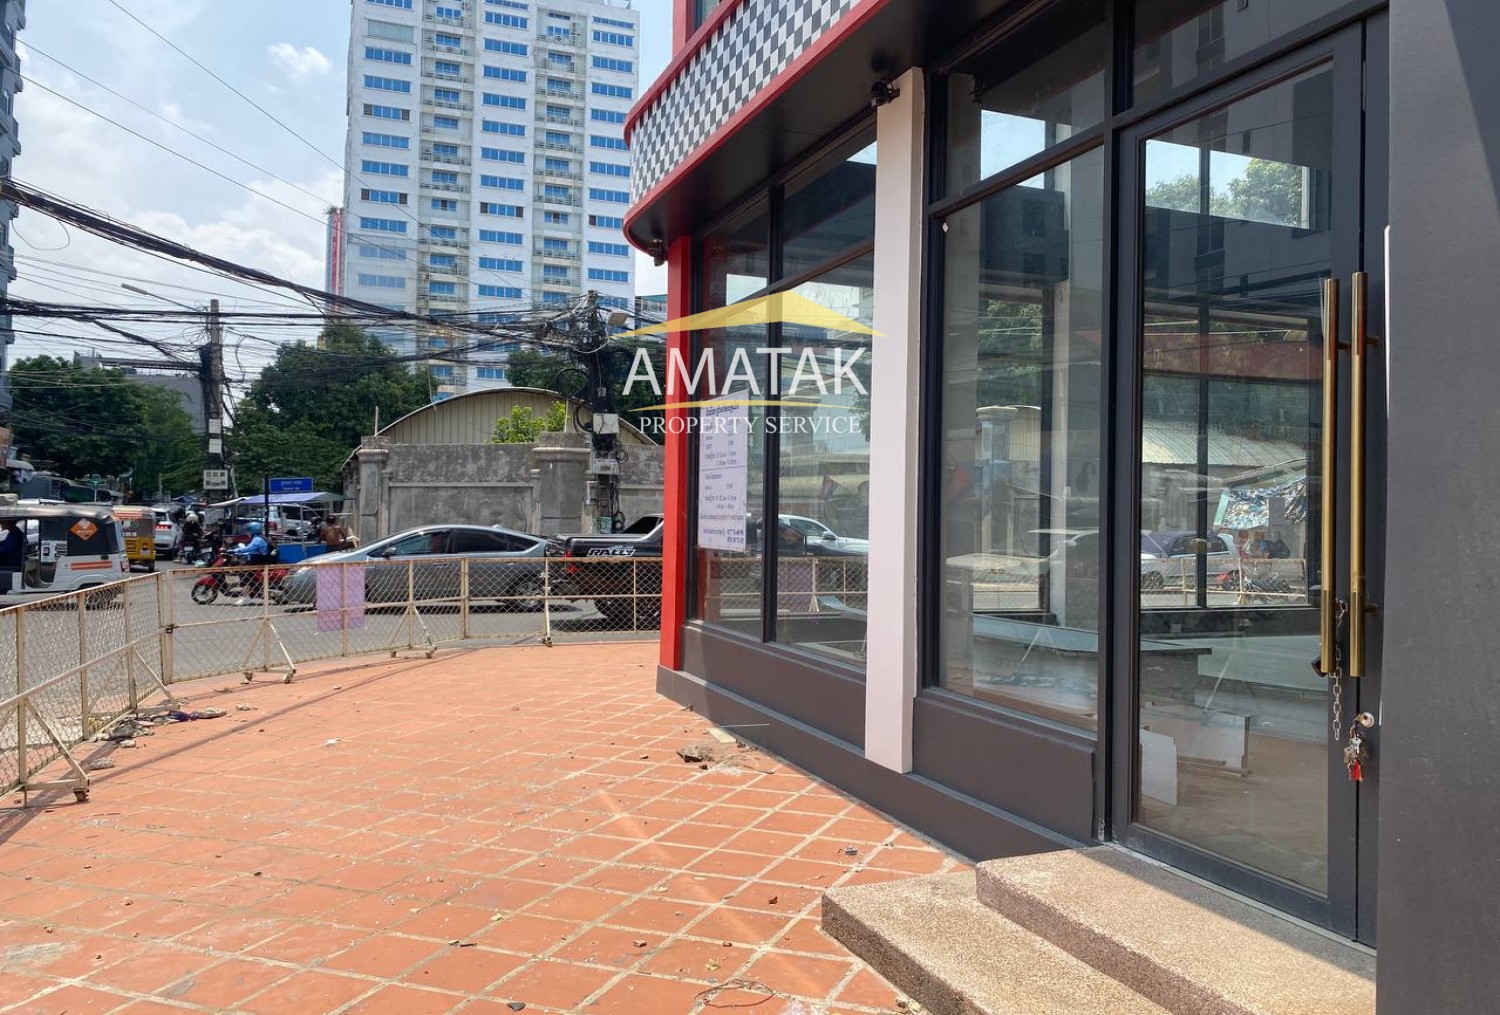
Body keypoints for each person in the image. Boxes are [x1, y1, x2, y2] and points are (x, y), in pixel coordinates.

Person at [227, 522, 272, 605]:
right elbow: (253, 551)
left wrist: (234, 551)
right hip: (261, 561)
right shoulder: (262, 538)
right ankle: (253, 592)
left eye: (248, 531)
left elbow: (249, 548)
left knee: (243, 573)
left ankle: (246, 597)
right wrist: (239, 553)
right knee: (247, 572)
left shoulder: (257, 539)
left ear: (252, 531)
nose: (247, 533)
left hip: (259, 563)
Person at [0, 520, 24, 593]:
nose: (1, 524)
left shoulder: (15, 533)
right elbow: (5, 543)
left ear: (9, 522)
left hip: (13, 560)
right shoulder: (13, 532)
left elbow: (9, 549)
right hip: (13, 557)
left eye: (2, 522)